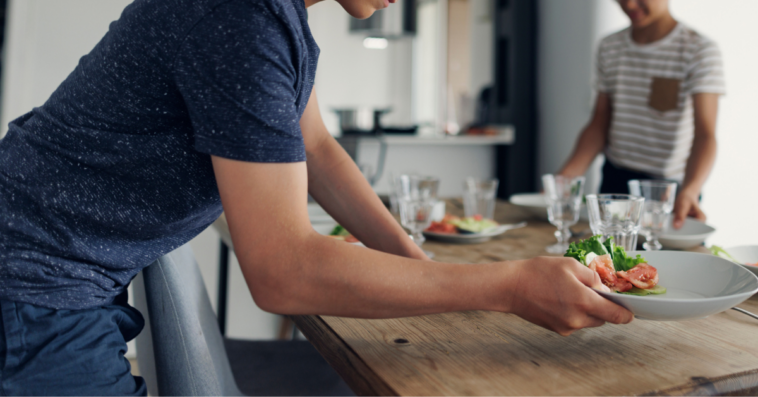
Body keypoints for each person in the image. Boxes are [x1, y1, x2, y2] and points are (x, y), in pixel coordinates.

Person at [0, 0, 633, 394]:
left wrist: (418, 267)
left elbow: (319, 148)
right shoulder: (241, 18)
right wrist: (507, 285)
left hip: (57, 274)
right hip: (32, 284)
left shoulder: (279, 21)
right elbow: (283, 274)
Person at [559, 0, 724, 229]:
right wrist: (564, 181)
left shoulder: (698, 50)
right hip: (615, 182)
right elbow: (599, 123)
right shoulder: (610, 46)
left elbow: (705, 135)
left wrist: (691, 190)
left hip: (668, 192)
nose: (628, 4)